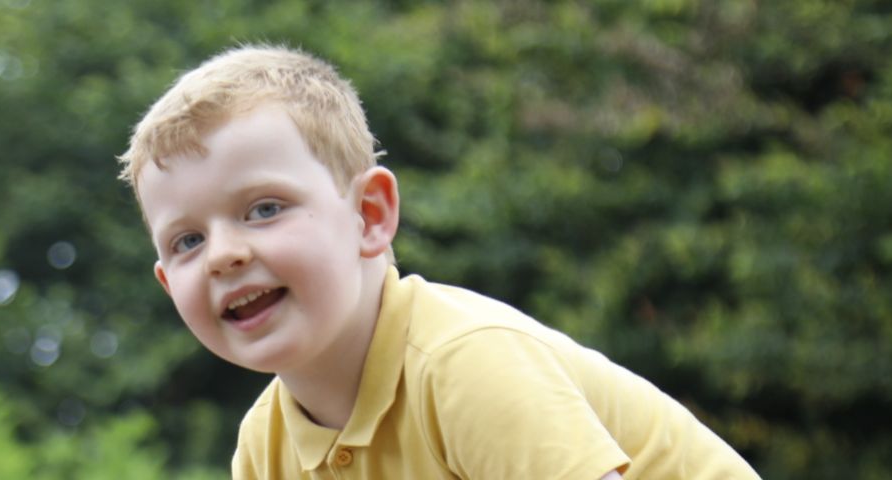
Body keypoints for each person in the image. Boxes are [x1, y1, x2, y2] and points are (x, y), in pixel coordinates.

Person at [116, 45, 760, 479]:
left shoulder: (464, 364)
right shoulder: (265, 450)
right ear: (168, 285)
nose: (224, 254)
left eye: (264, 209)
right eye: (187, 241)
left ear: (369, 215)